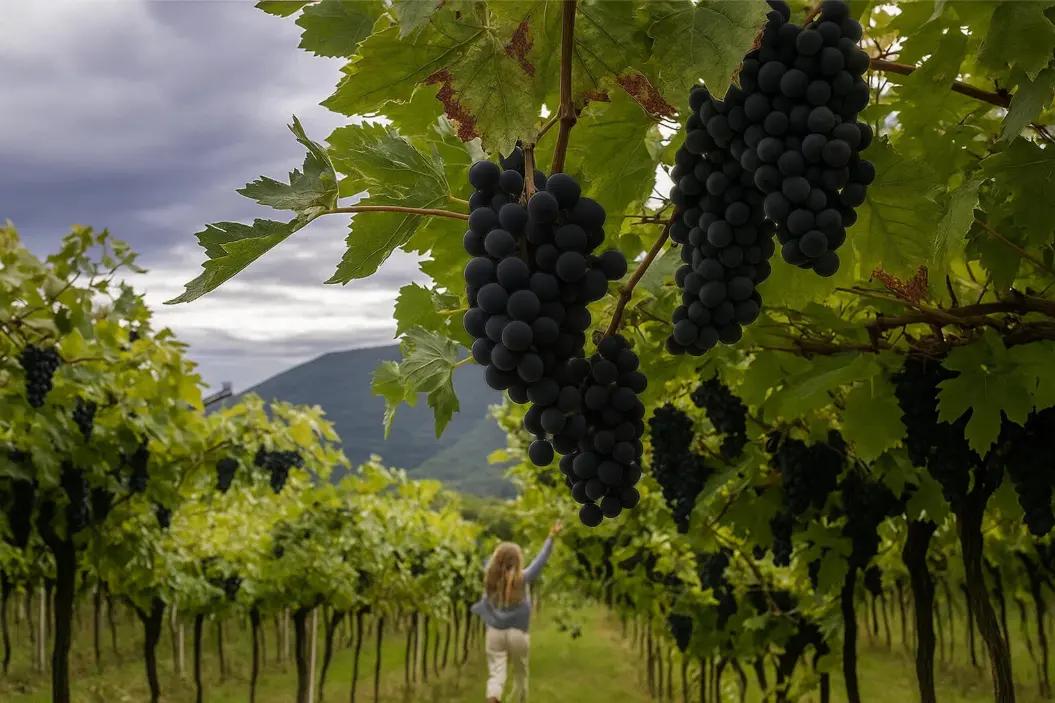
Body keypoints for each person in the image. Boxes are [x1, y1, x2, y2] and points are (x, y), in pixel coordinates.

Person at [471, 520, 563, 703]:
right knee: (521, 675)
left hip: (494, 633)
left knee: (497, 672)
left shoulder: (489, 580)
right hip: (518, 634)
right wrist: (551, 537)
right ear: (518, 561)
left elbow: (486, 562)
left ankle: (493, 697)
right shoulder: (524, 579)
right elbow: (541, 560)